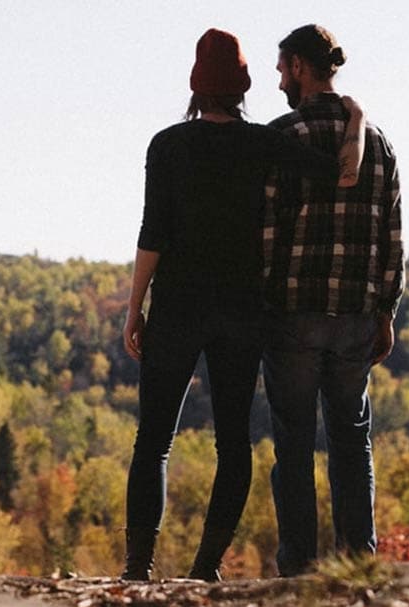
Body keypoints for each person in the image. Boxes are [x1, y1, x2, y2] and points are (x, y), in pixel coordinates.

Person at [120, 28, 365, 582]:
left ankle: (138, 568)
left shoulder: (167, 145)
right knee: (233, 444)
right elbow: (342, 172)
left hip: (177, 308)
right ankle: (205, 568)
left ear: (195, 85)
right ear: (243, 87)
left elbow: (153, 233)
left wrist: (135, 308)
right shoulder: (262, 142)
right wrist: (356, 115)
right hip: (241, 312)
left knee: (153, 441)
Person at [261, 24, 404, 577]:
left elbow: (266, 233)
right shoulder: (378, 143)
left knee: (293, 443)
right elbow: (392, 235)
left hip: (293, 313)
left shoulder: (282, 137)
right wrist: (386, 311)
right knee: (351, 441)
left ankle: (299, 569)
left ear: (299, 66)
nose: (279, 80)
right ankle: (357, 564)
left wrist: (262, 304)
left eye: (282, 69)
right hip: (355, 315)